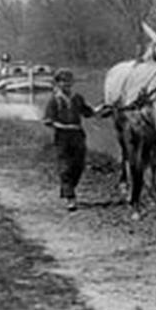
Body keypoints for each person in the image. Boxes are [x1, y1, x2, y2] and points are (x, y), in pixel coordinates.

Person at [43, 68, 98, 211]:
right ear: (57, 83)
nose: (66, 85)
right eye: (63, 82)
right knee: (65, 166)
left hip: (78, 135)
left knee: (79, 166)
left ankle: (68, 189)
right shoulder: (54, 100)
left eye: (68, 82)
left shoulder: (77, 98)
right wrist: (58, 124)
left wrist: (100, 110)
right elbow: (48, 120)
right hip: (62, 136)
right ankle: (70, 198)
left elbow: (87, 112)